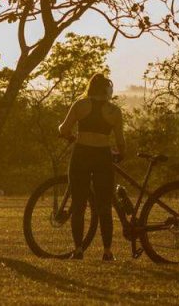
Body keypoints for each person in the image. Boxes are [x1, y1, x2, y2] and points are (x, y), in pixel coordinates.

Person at [58, 73, 126, 261]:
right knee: (104, 205)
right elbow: (120, 141)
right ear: (107, 90)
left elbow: (64, 129)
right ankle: (107, 251)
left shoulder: (80, 105)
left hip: (81, 154)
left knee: (78, 205)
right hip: (103, 156)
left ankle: (78, 249)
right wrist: (121, 155)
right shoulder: (114, 111)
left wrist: (71, 137)